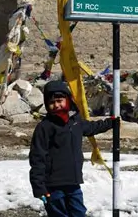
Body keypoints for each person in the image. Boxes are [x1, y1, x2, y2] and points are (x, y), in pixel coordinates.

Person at [29, 80, 115, 217]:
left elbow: (92, 128)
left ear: (68, 100)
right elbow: (37, 157)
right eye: (52, 103)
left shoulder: (76, 121)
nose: (56, 105)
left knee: (79, 212)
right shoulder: (44, 127)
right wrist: (38, 187)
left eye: (59, 101)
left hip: (73, 182)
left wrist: (111, 123)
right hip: (53, 184)